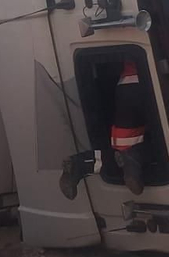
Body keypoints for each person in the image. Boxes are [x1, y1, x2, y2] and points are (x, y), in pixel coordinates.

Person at [58, 59, 149, 199]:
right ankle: (131, 159)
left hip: (129, 82)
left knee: (127, 145)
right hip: (148, 76)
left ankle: (81, 164)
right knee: (163, 142)